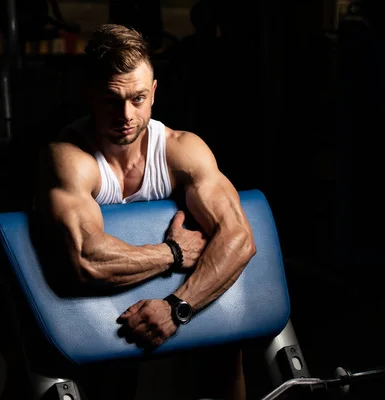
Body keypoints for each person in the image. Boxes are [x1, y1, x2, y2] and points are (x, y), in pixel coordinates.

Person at [25, 23, 257, 399]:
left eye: (137, 99)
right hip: (53, 289)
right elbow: (86, 259)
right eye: (110, 100)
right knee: (56, 377)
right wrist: (174, 253)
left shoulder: (182, 150)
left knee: (227, 351)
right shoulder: (69, 158)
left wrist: (177, 306)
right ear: (88, 95)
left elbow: (240, 239)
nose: (126, 114)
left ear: (153, 93)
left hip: (163, 295)